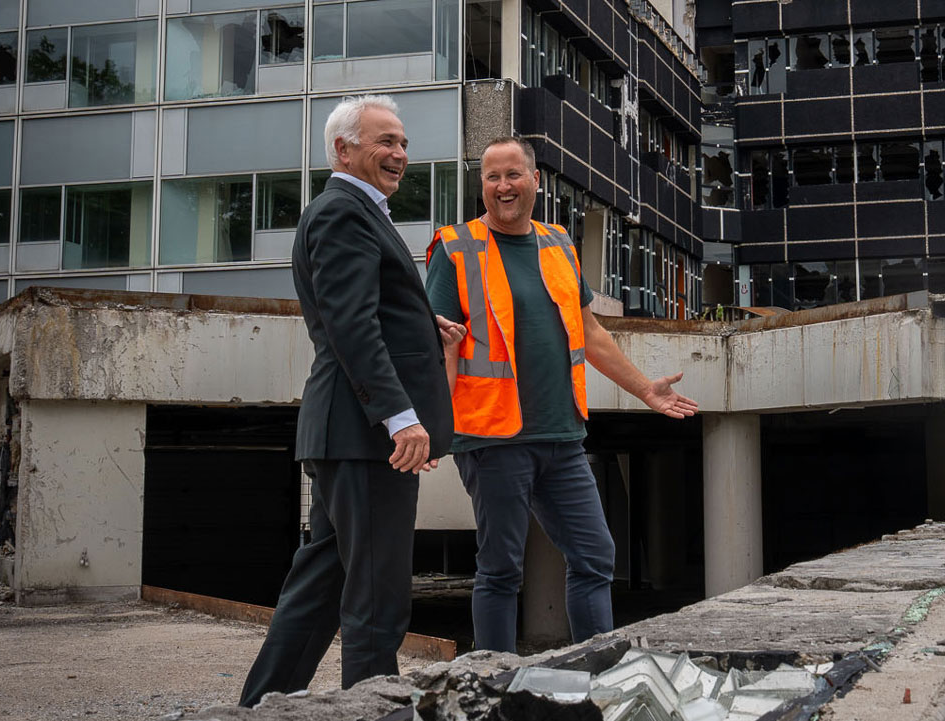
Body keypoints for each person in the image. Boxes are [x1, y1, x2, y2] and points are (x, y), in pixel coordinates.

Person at [424, 136, 698, 653]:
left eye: (512, 175)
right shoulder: (455, 247)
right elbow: (434, 342)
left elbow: (590, 332)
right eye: (491, 177)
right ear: (481, 184)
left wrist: (646, 390)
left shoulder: (558, 244)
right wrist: (435, 428)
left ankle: (599, 676)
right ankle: (492, 686)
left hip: (562, 434)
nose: (502, 187)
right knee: (501, 569)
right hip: (491, 436)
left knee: (595, 556)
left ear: (535, 180)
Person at [240, 95, 461, 707]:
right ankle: (373, 712)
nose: (399, 153)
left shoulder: (359, 211)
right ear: (343, 149)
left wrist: (424, 325)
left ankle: (258, 709)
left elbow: (369, 314)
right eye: (385, 141)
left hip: (348, 435)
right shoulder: (344, 212)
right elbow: (350, 327)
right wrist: (402, 419)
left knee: (317, 590)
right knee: (376, 598)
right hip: (364, 437)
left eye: (404, 143)